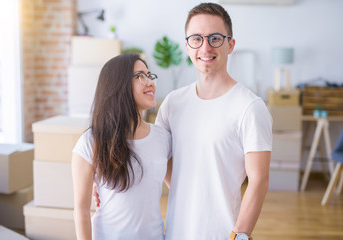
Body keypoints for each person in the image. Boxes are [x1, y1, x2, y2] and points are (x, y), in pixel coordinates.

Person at [155, 3, 272, 240]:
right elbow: (154, 156)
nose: (205, 47)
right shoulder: (172, 103)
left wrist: (240, 235)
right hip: (176, 231)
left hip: (223, 234)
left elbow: (258, 180)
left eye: (215, 38)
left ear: (230, 45)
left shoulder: (250, 107)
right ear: (187, 46)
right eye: (196, 39)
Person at [71, 53, 171, 240]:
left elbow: (179, 187)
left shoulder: (163, 138)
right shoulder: (91, 142)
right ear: (119, 85)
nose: (150, 82)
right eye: (140, 76)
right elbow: (81, 210)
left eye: (150, 75)